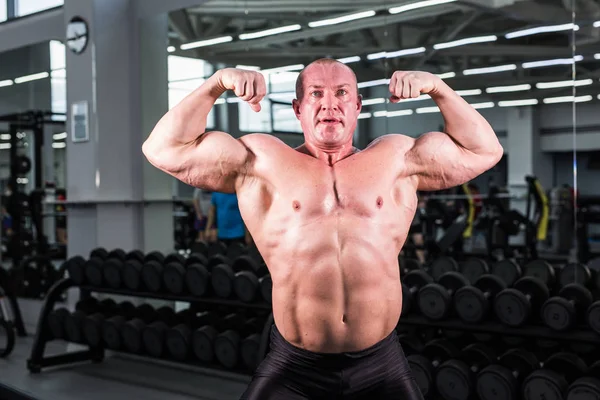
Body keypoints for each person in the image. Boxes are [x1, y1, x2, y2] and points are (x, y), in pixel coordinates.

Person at [142, 58, 503, 399]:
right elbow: (162, 149)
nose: (330, 104)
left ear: (358, 106)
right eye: (316, 93)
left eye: (342, 93)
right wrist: (215, 84)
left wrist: (439, 88)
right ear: (298, 109)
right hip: (296, 366)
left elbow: (484, 151)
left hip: (380, 363)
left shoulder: (396, 158)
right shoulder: (261, 161)